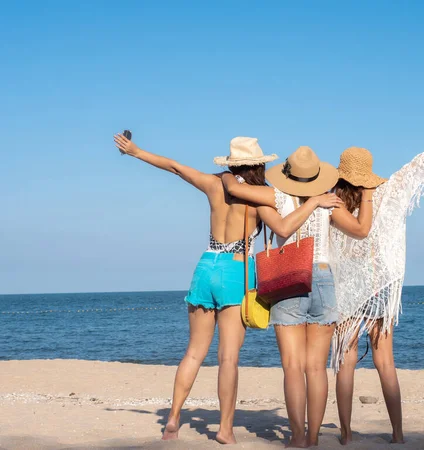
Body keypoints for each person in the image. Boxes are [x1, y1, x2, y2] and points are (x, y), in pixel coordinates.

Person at [113, 135, 341, 444]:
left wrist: (136, 151)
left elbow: (175, 167)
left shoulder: (213, 184)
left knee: (194, 352)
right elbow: (285, 229)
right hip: (237, 269)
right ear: (259, 164)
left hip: (207, 265)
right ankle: (224, 429)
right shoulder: (260, 196)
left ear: (231, 163)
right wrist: (314, 201)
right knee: (228, 358)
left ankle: (173, 418)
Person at [330, 111, 424, 444]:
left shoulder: (332, 203)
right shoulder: (383, 192)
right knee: (385, 361)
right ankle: (397, 434)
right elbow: (417, 166)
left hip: (348, 291)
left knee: (345, 362)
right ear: (367, 173)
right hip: (380, 289)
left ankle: (345, 432)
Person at [221, 146, 373, 448]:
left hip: (288, 277)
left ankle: (299, 437)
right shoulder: (330, 201)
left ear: (288, 174)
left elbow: (236, 189)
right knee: (316, 368)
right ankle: (314, 437)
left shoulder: (277, 197)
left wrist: (229, 172)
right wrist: (366, 189)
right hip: (323, 279)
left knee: (292, 366)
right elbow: (362, 229)